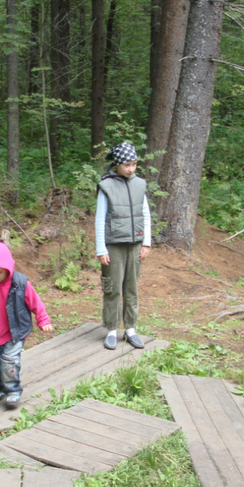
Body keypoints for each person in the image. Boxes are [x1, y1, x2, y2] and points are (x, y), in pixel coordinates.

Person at [0, 241, 53, 408]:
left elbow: (35, 302)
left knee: (10, 361)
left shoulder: (20, 283)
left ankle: (13, 391)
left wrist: (43, 319)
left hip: (15, 331)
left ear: (8, 268)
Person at [95, 142, 152, 350]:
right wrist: (101, 248)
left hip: (135, 244)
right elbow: (100, 219)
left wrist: (146, 242)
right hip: (113, 246)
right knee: (112, 288)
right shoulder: (106, 186)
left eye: (134, 164)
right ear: (117, 165)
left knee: (132, 288)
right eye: (127, 165)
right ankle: (111, 329)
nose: (131, 169)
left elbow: (145, 214)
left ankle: (130, 329)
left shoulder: (139, 185)